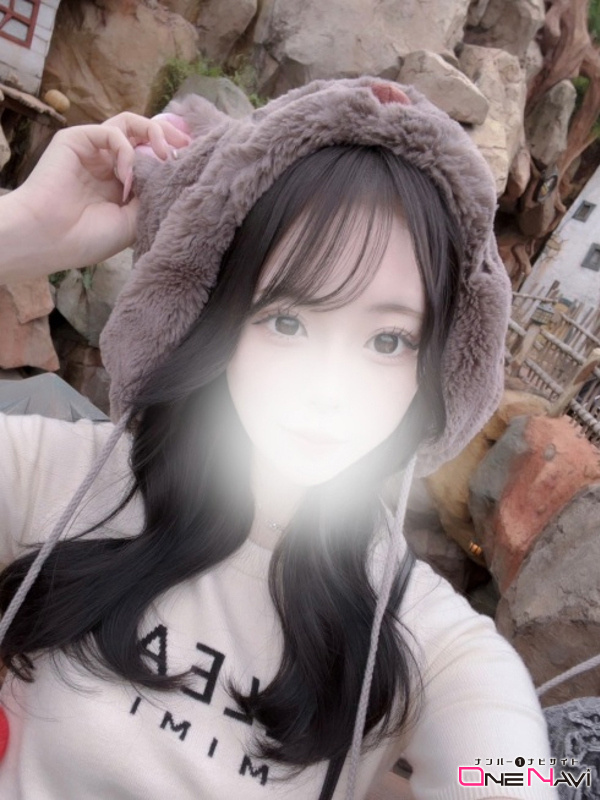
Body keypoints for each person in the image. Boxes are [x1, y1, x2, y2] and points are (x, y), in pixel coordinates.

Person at [0, 79, 558, 800]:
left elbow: (514, 777)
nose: (329, 390)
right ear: (217, 314)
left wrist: (554, 774)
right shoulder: (52, 478)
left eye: (388, 340)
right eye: (288, 322)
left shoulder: (428, 639)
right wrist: (19, 232)